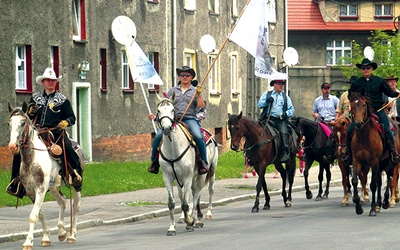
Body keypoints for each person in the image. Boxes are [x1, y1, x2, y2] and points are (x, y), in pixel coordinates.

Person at [7, 67, 83, 198]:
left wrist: (65, 122)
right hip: (36, 131)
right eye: (48, 80)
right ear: (43, 82)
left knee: (68, 147)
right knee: (19, 150)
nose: (50, 82)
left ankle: (74, 173)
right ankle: (16, 181)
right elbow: (27, 118)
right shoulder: (35, 97)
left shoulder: (62, 99)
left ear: (56, 82)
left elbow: (72, 117)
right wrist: (29, 113)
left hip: (55, 131)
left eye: (52, 80)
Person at [147, 66, 208, 175]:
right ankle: (154, 162)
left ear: (191, 78)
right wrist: (155, 118)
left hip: (190, 119)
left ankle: (203, 162)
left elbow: (201, 106)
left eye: (187, 75)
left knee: (198, 136)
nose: (184, 77)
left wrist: (198, 95)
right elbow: (165, 106)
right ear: (179, 77)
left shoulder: (195, 91)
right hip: (174, 119)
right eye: (182, 75)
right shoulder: (173, 90)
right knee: (158, 136)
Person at [342, 58, 400, 164]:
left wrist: (397, 94)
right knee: (350, 130)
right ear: (361, 70)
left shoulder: (379, 81)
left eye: (368, 68)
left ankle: (393, 152)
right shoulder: (357, 83)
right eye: (363, 68)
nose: (366, 70)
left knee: (387, 129)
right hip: (361, 112)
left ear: (372, 68)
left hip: (378, 110)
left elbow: (388, 92)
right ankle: (348, 153)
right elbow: (352, 96)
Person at [258, 79, 295, 162]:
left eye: (282, 84)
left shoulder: (285, 97)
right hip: (267, 119)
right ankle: (249, 152)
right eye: (279, 84)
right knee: (255, 130)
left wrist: (286, 114)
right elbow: (259, 104)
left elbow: (291, 110)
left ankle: (285, 151)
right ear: (274, 85)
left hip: (279, 120)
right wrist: (267, 101)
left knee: (283, 132)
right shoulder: (267, 94)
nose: (281, 85)